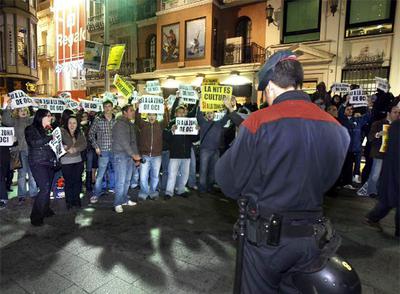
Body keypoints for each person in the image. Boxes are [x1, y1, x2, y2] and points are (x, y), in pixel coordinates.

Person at [215, 50, 350, 293]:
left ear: (270, 88)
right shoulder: (338, 129)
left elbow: (227, 181)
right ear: (298, 82)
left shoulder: (258, 123)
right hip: (312, 240)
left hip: (267, 242)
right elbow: (330, 180)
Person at [365, 119, 399, 237]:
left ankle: (373, 217)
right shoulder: (396, 126)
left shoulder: (395, 125)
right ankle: (373, 217)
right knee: (389, 200)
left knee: (389, 200)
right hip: (394, 169)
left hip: (392, 169)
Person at [358, 105, 400, 197]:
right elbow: (370, 137)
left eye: (398, 112)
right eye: (395, 112)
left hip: (392, 154)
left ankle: (380, 191)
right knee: (375, 174)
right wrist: (378, 134)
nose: (397, 114)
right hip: (379, 153)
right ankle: (372, 191)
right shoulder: (378, 123)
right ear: (388, 113)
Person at [25, 109, 57, 226]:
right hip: (38, 162)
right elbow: (33, 143)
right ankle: (36, 216)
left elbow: (52, 145)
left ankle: (45, 209)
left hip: (49, 161)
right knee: (44, 188)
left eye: (51, 115)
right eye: (48, 116)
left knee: (47, 188)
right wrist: (49, 138)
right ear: (40, 117)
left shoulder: (49, 129)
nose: (50, 118)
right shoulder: (30, 129)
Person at [2, 103, 37, 202]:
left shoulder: (31, 120)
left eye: (25, 110)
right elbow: (5, 120)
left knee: (32, 174)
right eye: (21, 110)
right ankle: (21, 195)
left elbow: (39, 118)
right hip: (20, 151)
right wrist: (8, 108)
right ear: (17, 111)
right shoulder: (15, 121)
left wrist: (39, 107)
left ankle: (33, 193)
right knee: (22, 175)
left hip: (32, 151)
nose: (23, 112)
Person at [135, 102, 169, 201]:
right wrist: (138, 109)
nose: (151, 117)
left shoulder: (160, 124)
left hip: (157, 155)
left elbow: (167, 120)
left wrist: (165, 109)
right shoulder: (143, 124)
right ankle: (144, 192)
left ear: (156, 115)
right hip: (145, 155)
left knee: (155, 176)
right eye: (149, 114)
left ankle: (153, 192)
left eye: (153, 114)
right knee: (143, 176)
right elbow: (137, 120)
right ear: (147, 115)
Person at [164, 105, 199, 199]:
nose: (181, 114)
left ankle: (181, 190)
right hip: (175, 154)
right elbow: (166, 138)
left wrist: (197, 131)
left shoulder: (190, 123)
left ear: (185, 113)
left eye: (183, 112)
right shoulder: (172, 123)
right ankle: (169, 192)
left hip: (186, 154)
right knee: (172, 174)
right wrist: (171, 131)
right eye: (179, 112)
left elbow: (195, 139)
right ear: (175, 114)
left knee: (185, 174)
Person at [112, 104, 141, 213]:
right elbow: (124, 142)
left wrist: (135, 156)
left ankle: (123, 199)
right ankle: (117, 203)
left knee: (127, 180)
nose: (133, 112)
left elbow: (133, 142)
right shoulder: (119, 124)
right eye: (131, 111)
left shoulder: (130, 124)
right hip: (120, 155)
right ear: (125, 112)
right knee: (121, 180)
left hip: (128, 156)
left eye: (133, 111)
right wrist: (134, 155)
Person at [196, 105, 229, 194]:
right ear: (205, 115)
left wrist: (230, 106)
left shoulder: (219, 123)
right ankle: (202, 189)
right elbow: (198, 114)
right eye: (208, 113)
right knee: (203, 170)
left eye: (211, 113)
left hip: (215, 151)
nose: (210, 114)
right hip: (205, 151)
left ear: (214, 115)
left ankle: (210, 187)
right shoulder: (202, 123)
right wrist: (199, 104)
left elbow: (227, 116)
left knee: (213, 171)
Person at [88, 100, 116, 204]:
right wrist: (96, 147)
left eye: (109, 106)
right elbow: (90, 134)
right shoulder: (98, 120)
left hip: (114, 150)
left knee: (114, 171)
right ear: (103, 108)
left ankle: (113, 188)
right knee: (101, 174)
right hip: (103, 150)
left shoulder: (116, 120)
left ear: (112, 107)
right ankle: (96, 194)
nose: (108, 108)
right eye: (106, 107)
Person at [61, 115, 87, 209]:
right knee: (69, 182)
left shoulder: (80, 132)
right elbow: (56, 143)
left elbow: (84, 144)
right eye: (70, 123)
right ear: (66, 124)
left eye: (74, 123)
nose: (72, 125)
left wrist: (76, 149)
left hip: (78, 161)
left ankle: (76, 200)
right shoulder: (61, 132)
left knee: (77, 181)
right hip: (66, 161)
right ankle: (69, 201)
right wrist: (65, 148)